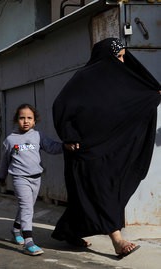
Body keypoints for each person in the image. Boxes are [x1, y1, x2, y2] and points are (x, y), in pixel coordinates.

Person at [52, 38, 161, 258]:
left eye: (123, 56)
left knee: (95, 196)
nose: (122, 61)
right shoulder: (83, 79)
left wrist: (151, 96)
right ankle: (117, 240)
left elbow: (130, 106)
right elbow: (61, 105)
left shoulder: (123, 81)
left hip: (111, 150)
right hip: (85, 150)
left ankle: (68, 230)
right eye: (118, 56)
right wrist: (69, 136)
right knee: (103, 193)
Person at [0, 104, 66, 256]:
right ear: (16, 120)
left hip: (36, 179)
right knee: (27, 207)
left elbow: (52, 148)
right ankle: (29, 243)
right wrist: (1, 178)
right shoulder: (10, 140)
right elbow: (4, 161)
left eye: (29, 118)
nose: (26, 121)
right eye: (22, 118)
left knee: (26, 207)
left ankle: (16, 229)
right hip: (19, 179)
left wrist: (66, 146)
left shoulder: (38, 136)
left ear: (35, 121)